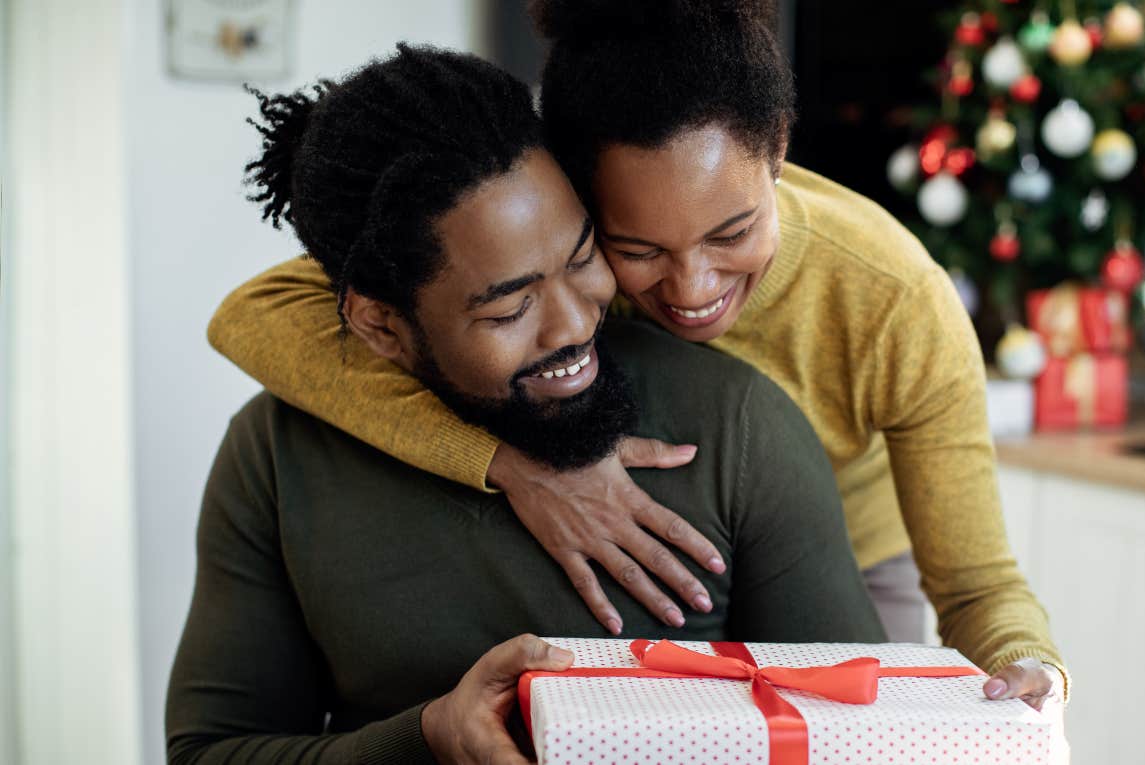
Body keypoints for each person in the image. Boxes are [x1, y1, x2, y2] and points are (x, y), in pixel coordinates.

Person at [210, 0, 1068, 707]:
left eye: (733, 231)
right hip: (655, 552)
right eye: (636, 248)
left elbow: (976, 579)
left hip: (853, 552)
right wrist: (509, 464)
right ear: (580, 194)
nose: (692, 287)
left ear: (779, 150)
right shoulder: (559, 254)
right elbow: (257, 311)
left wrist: (1032, 669)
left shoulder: (893, 300)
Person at [167, 44, 887, 765]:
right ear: (381, 325)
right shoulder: (275, 454)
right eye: (510, 308)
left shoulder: (737, 428)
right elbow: (208, 752)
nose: (575, 325)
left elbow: (866, 738)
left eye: (583, 259)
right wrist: (427, 736)